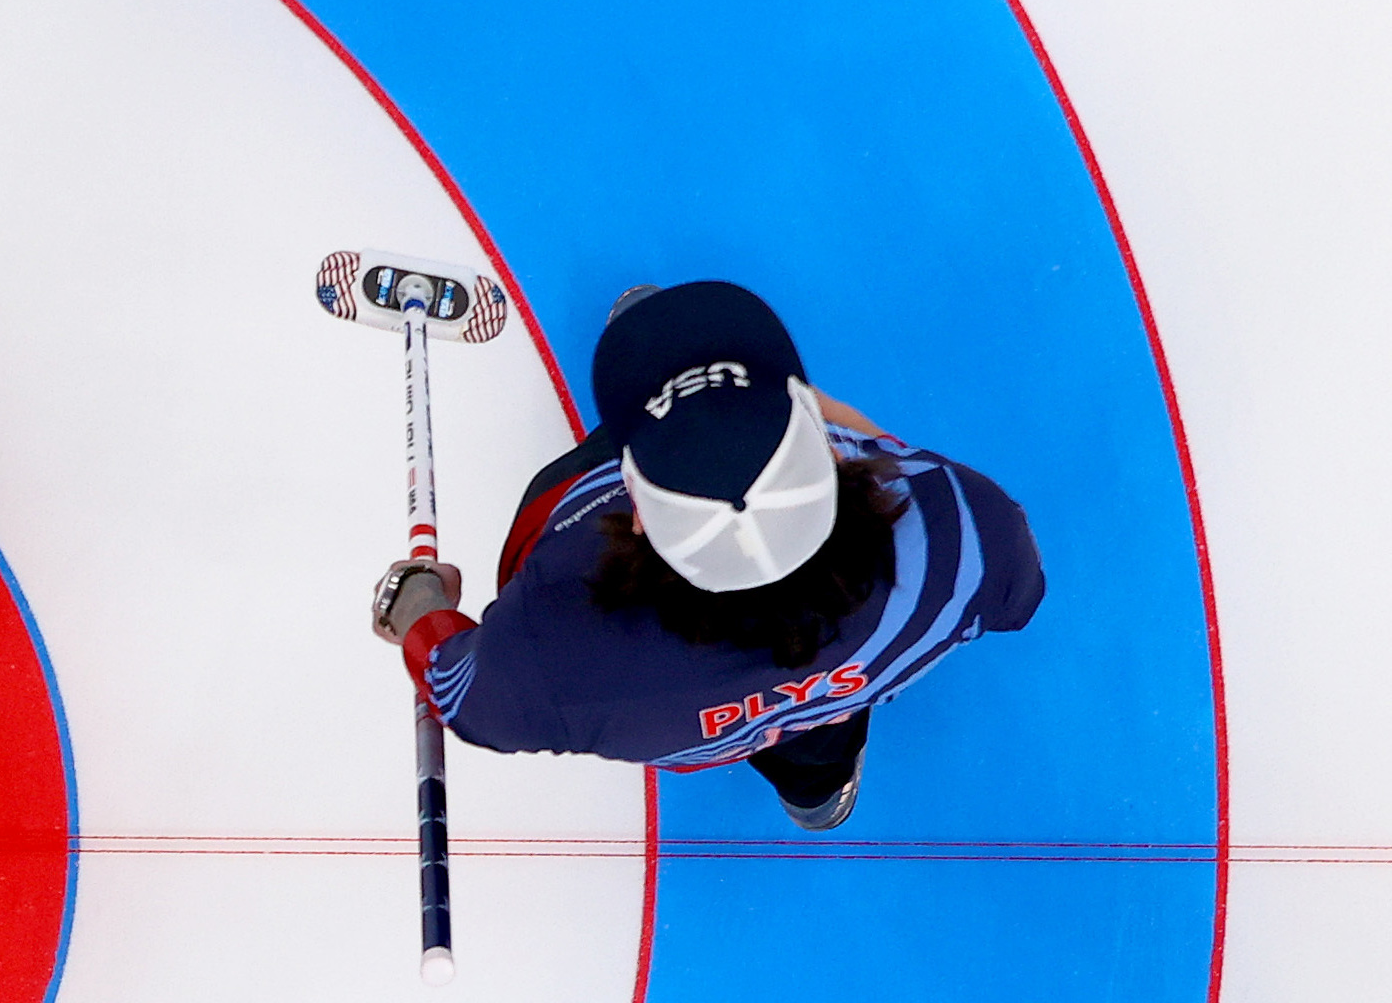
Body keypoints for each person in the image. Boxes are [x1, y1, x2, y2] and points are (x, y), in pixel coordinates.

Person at [373, 280, 1042, 824]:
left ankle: (656, 377)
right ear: (827, 449)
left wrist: (418, 606)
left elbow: (459, 691)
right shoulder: (968, 534)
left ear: (637, 517)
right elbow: (1020, 588)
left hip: (689, 731)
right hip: (837, 686)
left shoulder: (550, 637)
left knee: (550, 500)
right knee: (814, 734)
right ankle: (814, 792)